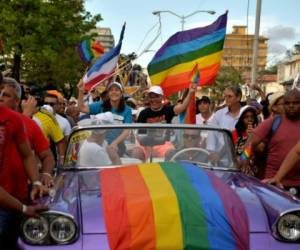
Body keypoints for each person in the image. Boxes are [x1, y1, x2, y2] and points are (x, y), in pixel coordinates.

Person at [0, 104, 47, 249]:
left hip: (9, 203)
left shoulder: (12, 118)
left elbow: (27, 154)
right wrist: (24, 209)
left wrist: (36, 183)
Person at [0, 78, 55, 189]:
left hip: (21, 194)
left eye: (5, 95)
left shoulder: (29, 124)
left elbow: (47, 156)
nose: (0, 98)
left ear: (17, 101)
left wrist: (46, 174)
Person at [251, 89, 300, 194]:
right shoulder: (273, 122)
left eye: (295, 103)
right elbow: (250, 143)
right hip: (273, 182)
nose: (291, 106)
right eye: (287, 103)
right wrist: (244, 159)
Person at [78, 80, 132, 156]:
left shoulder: (127, 110)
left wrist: (114, 143)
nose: (114, 92)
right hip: (100, 146)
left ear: (121, 93)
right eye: (111, 90)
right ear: (108, 93)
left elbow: (127, 130)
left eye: (117, 90)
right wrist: (80, 91)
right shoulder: (101, 105)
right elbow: (81, 108)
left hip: (117, 147)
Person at [231, 106, 259, 176]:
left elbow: (249, 153)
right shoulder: (234, 133)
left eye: (252, 117)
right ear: (241, 119)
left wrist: (251, 136)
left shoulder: (259, 133)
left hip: (253, 170)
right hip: (237, 167)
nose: (250, 119)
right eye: (246, 117)